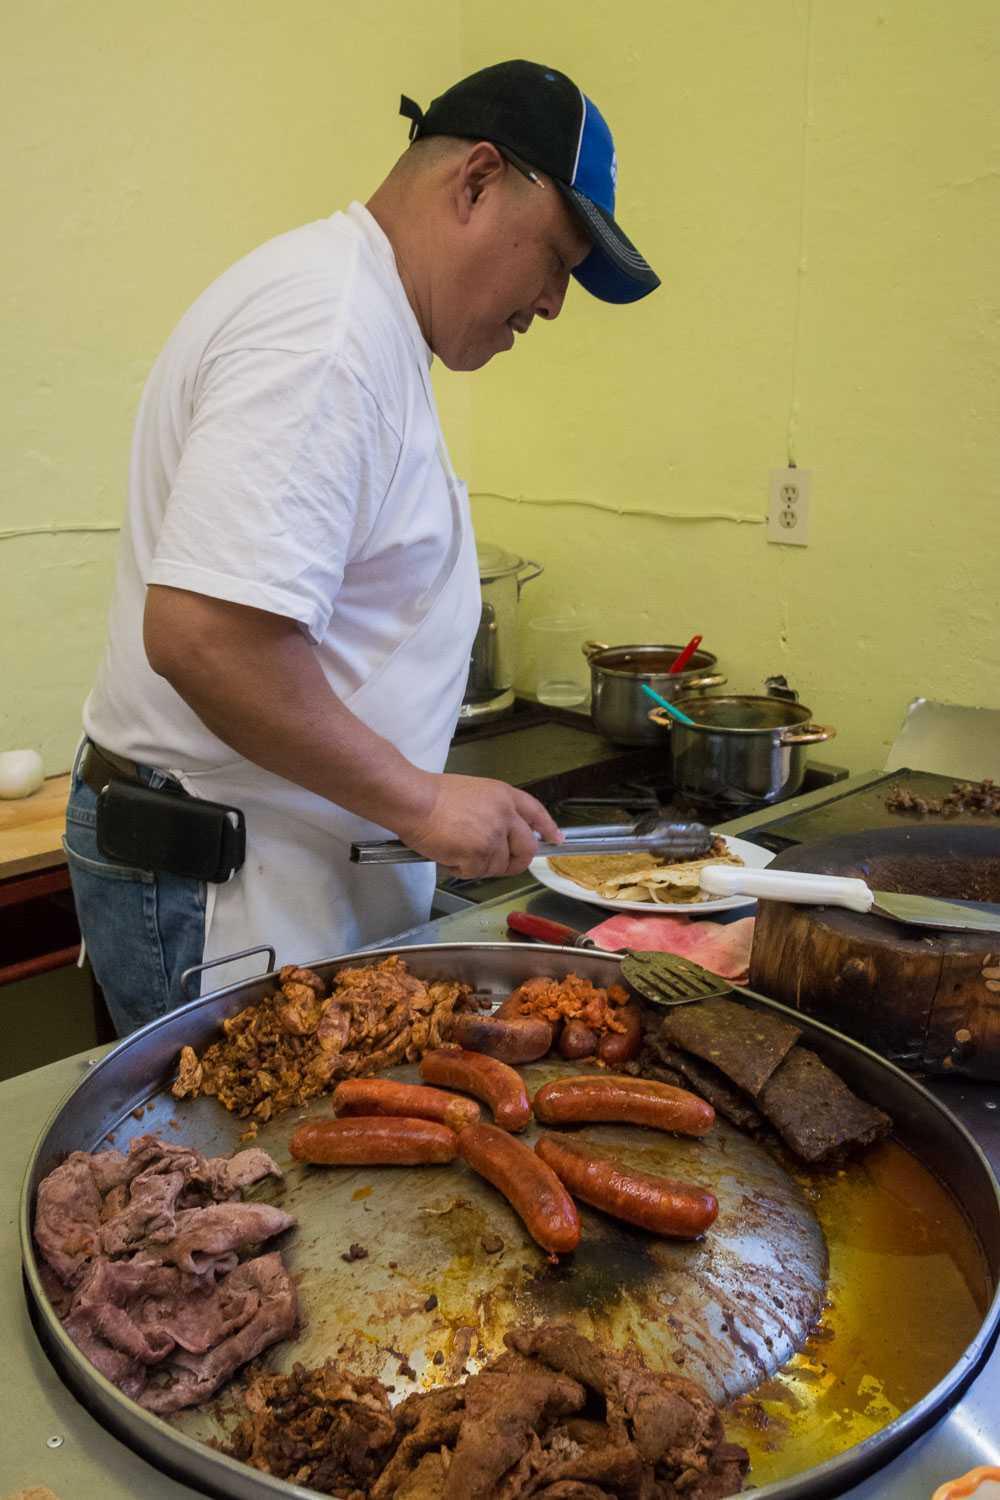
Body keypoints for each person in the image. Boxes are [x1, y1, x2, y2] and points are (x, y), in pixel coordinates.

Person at [66, 59, 660, 1034]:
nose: (555, 303)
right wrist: (420, 801)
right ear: (474, 180)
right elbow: (207, 637)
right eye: (556, 256)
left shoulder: (366, 321)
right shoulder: (327, 330)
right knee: (232, 1182)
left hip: (271, 868)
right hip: (225, 892)